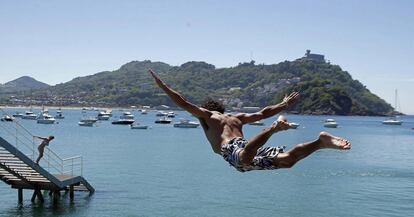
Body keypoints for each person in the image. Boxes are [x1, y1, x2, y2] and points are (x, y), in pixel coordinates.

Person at [149, 69, 351, 172]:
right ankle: (320, 142)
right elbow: (263, 113)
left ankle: (273, 130)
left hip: (236, 150)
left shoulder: (208, 116)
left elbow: (183, 103)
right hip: (247, 146)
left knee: (245, 158)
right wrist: (282, 105)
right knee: (288, 161)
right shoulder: (237, 118)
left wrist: (163, 87)